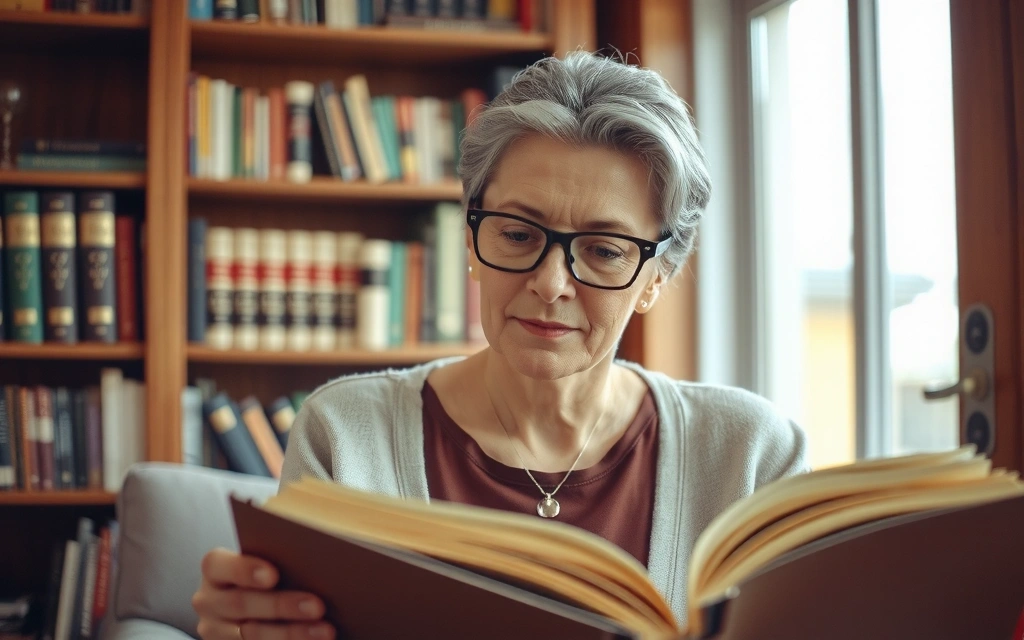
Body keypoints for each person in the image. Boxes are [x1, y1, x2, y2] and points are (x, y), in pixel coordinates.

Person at [191, 51, 808, 640]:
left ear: (657, 278)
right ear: (470, 237)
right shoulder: (346, 435)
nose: (550, 283)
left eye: (604, 250)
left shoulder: (751, 455)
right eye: (517, 234)